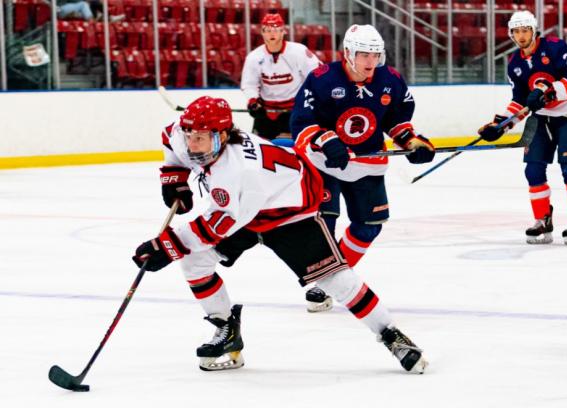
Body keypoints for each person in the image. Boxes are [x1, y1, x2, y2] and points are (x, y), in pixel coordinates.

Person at [132, 96, 428, 374]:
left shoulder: (239, 174)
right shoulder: (188, 134)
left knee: (335, 280)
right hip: (246, 209)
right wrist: (175, 179)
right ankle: (226, 329)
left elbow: (213, 227)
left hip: (290, 212)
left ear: (221, 136)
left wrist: (165, 246)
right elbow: (168, 137)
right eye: (190, 136)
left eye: (201, 138)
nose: (193, 145)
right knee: (195, 263)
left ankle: (391, 334)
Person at [290, 24, 436, 312]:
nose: (370, 62)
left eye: (375, 55)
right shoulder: (321, 79)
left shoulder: (390, 80)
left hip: (366, 164)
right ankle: (328, 278)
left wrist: (411, 143)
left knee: (369, 227)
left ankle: (329, 277)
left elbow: (397, 120)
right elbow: (301, 122)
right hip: (325, 164)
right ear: (348, 53)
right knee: (324, 224)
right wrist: (326, 140)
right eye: (363, 54)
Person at [478, 11, 567, 245]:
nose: (521, 35)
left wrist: (546, 91)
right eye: (516, 31)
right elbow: (519, 102)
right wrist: (501, 125)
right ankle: (542, 220)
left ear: (534, 30)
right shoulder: (515, 64)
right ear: (511, 34)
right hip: (541, 119)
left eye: (525, 30)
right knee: (533, 171)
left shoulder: (557, 48)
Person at [240, 13, 321, 142]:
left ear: (283, 31)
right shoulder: (254, 57)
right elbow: (249, 84)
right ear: (262, 32)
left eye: (276, 29)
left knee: (295, 149)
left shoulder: (299, 52)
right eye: (268, 30)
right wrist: (253, 102)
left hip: (295, 110)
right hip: (266, 114)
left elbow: (317, 75)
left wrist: (311, 100)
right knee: (260, 148)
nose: (272, 34)